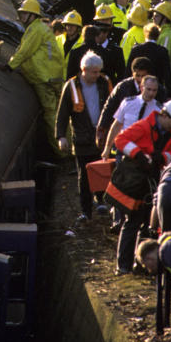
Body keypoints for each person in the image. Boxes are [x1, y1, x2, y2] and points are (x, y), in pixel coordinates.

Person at [112, 99, 171, 274]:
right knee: (131, 222)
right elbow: (120, 139)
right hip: (135, 181)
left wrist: (161, 157)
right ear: (165, 116)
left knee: (147, 224)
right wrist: (138, 154)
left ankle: (141, 263)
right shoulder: (144, 126)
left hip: (151, 182)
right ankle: (123, 265)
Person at [56, 51, 114, 221]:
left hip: (102, 138)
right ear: (84, 70)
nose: (98, 75)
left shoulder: (104, 83)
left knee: (103, 171)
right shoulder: (72, 86)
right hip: (82, 139)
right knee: (84, 176)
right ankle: (86, 211)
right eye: (94, 72)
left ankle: (101, 200)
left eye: (99, 71)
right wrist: (61, 136)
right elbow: (62, 113)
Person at [8, 0, 65, 156]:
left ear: (33, 15)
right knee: (62, 112)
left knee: (51, 114)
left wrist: (10, 66)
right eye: (22, 13)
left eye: (25, 13)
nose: (22, 17)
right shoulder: (40, 27)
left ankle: (63, 152)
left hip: (43, 76)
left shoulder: (35, 29)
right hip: (53, 74)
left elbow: (25, 51)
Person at [100, 74, 161, 159]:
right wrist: (107, 148)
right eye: (148, 89)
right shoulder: (128, 103)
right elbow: (116, 126)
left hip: (143, 152)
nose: (151, 93)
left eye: (154, 90)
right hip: (124, 148)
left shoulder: (158, 110)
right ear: (141, 87)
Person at [127, 23, 171, 98]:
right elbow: (167, 75)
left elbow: (128, 71)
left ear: (145, 34)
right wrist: (169, 94)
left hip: (135, 91)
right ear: (158, 35)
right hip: (156, 91)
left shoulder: (136, 49)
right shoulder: (162, 51)